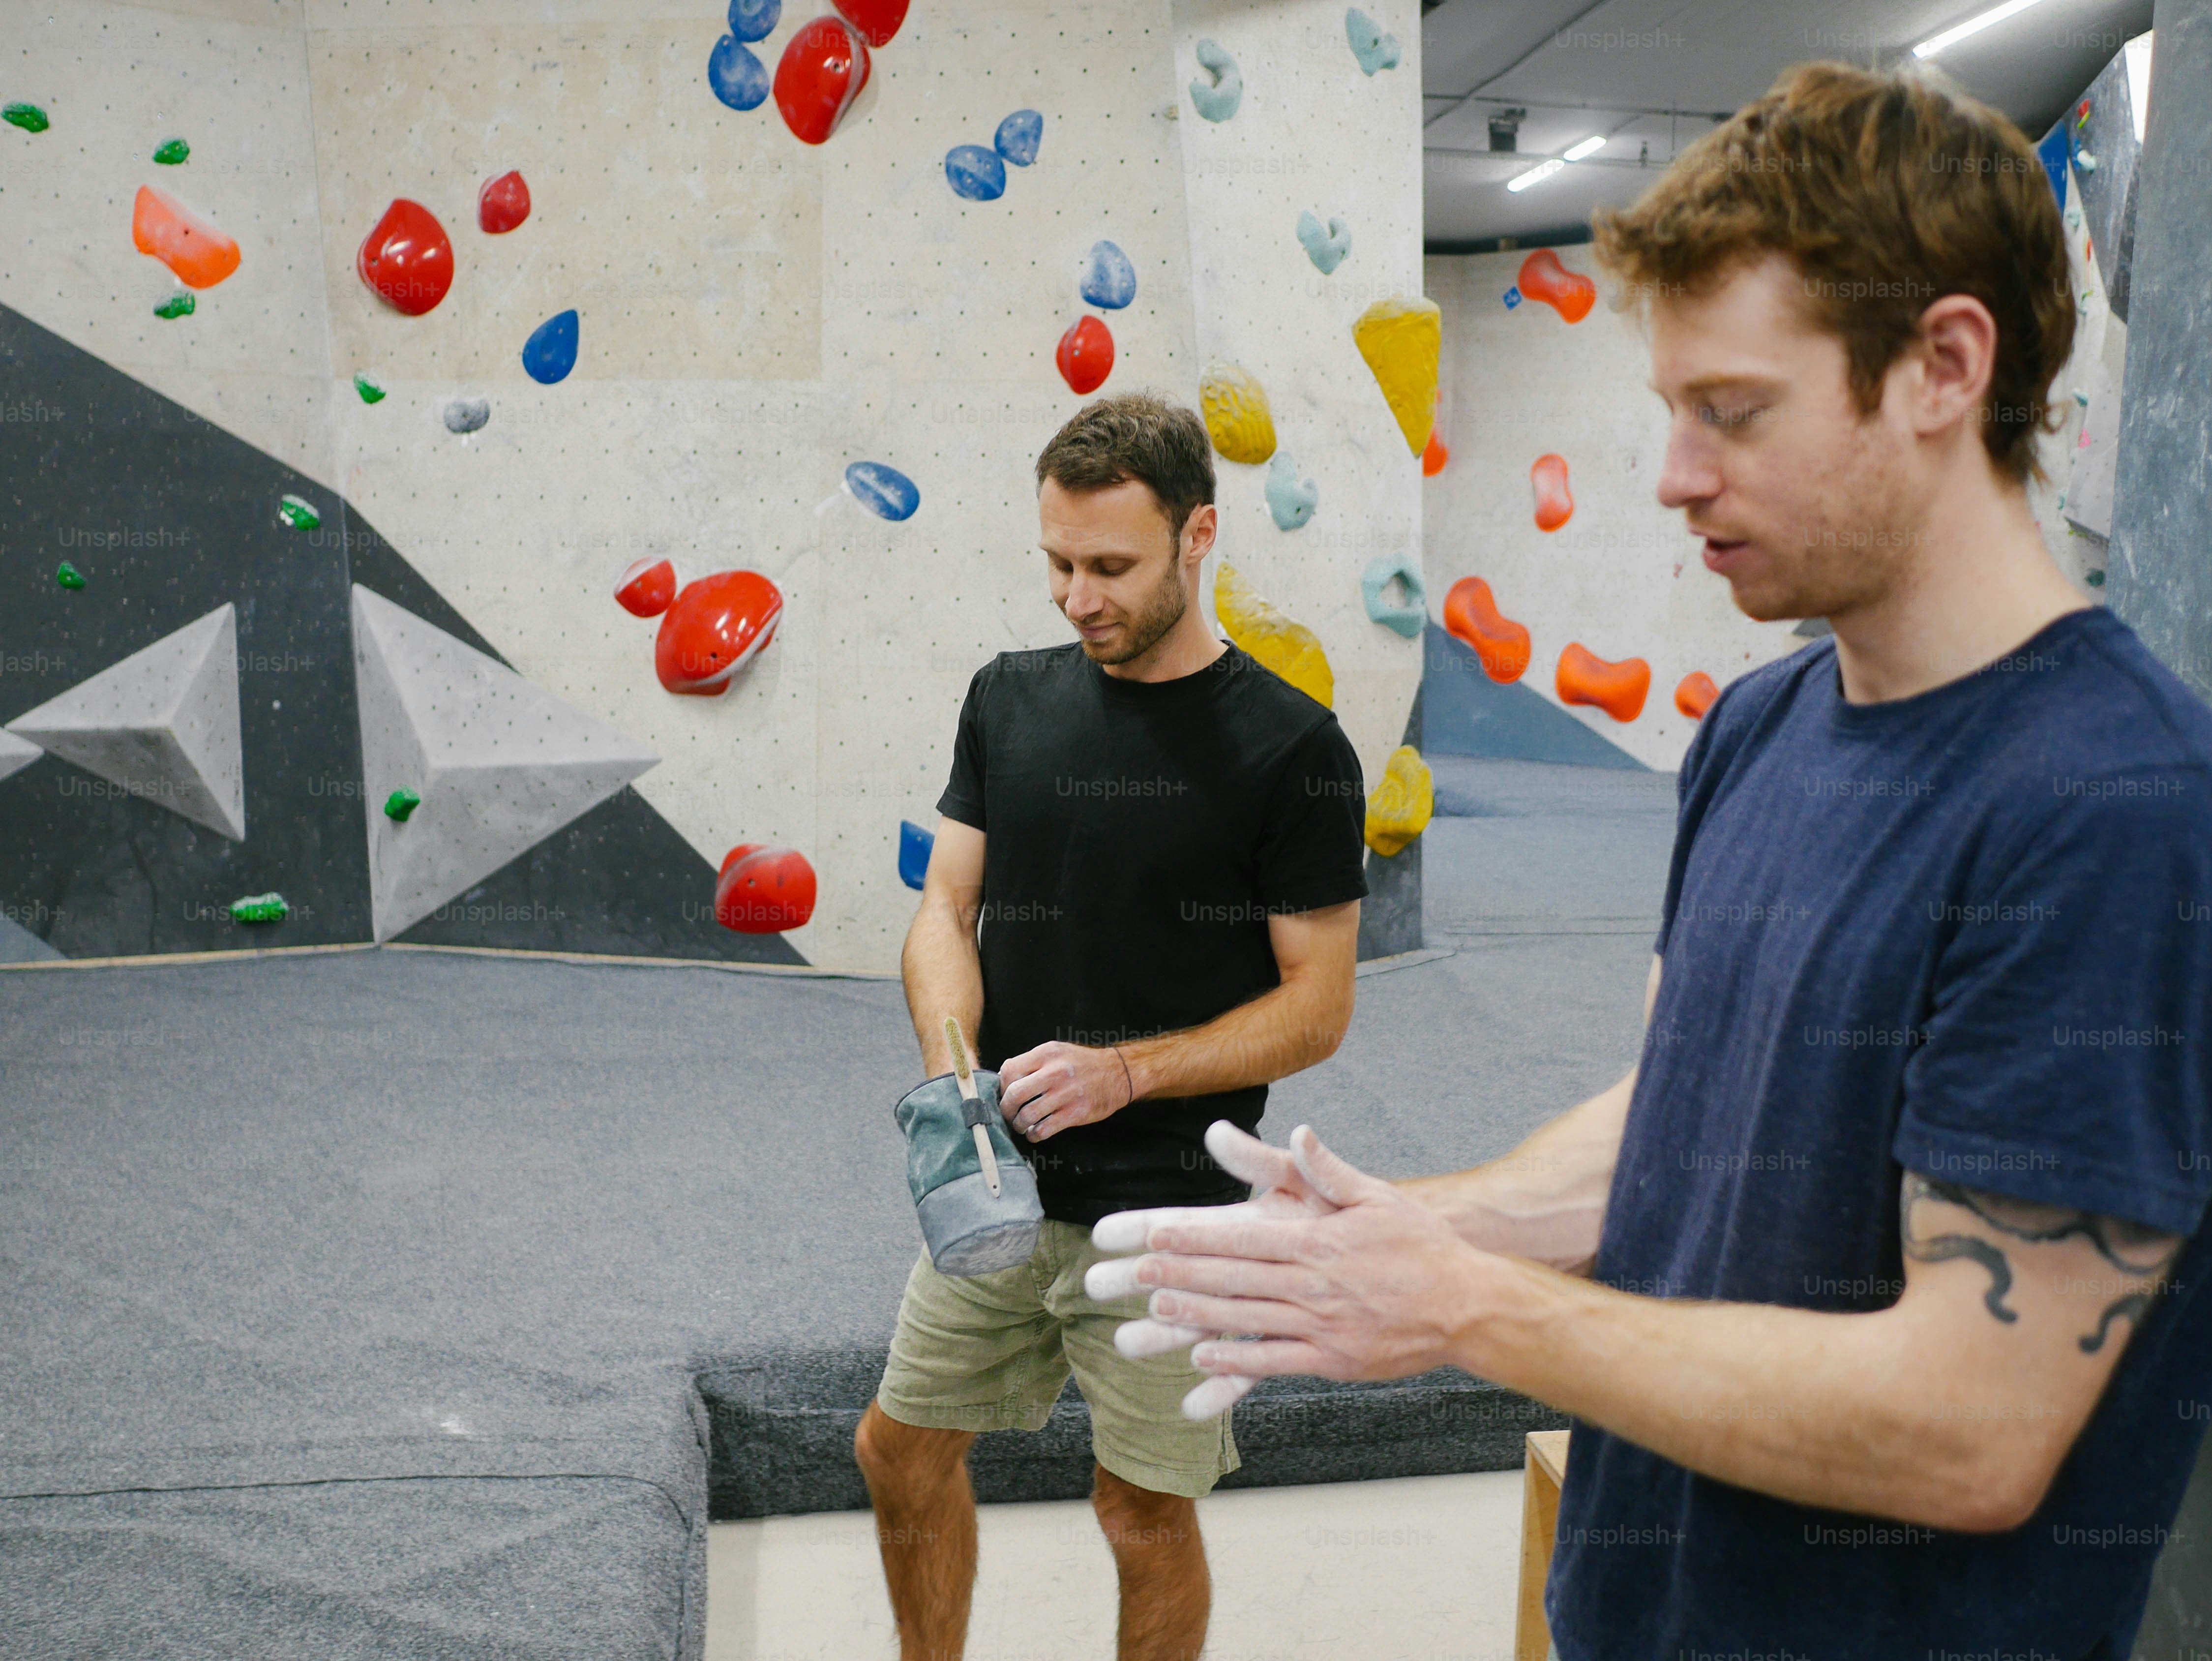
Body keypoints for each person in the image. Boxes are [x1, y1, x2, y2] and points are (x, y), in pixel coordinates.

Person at [1084, 62, 2212, 1660]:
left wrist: (1462, 1308)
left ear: (1943, 368)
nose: (1676, 475)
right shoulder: (1761, 724)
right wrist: (1400, 1230)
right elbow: (1687, 1119)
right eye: (1671, 412)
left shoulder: (2111, 806)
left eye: (1733, 412)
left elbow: (1973, 1423)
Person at [852, 392, 1371, 1661]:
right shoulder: (1008, 700)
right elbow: (945, 907)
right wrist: (953, 1069)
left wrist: (1126, 1074)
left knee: (1141, 1512)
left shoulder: (1295, 751)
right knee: (898, 1450)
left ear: (1200, 538)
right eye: (1057, 563)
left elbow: (1319, 1009)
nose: (1076, 597)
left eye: (1110, 568)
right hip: (998, 1190)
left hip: (1172, 1218)